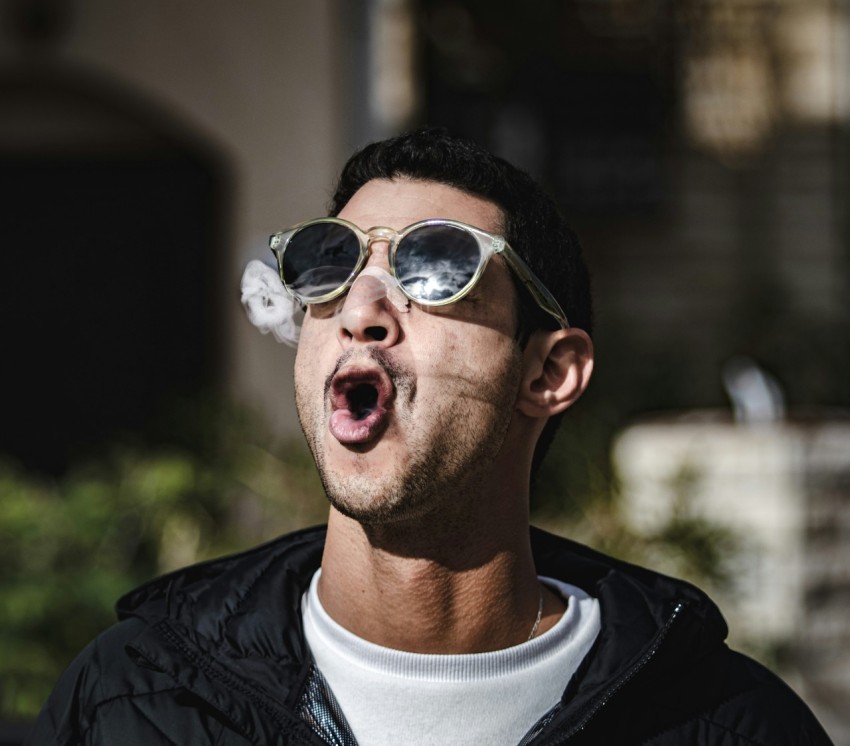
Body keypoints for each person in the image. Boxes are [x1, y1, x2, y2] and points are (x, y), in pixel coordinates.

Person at [29, 128, 831, 745]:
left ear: (548, 374)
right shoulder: (128, 700)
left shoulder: (726, 724)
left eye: (437, 267)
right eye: (328, 263)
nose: (362, 308)